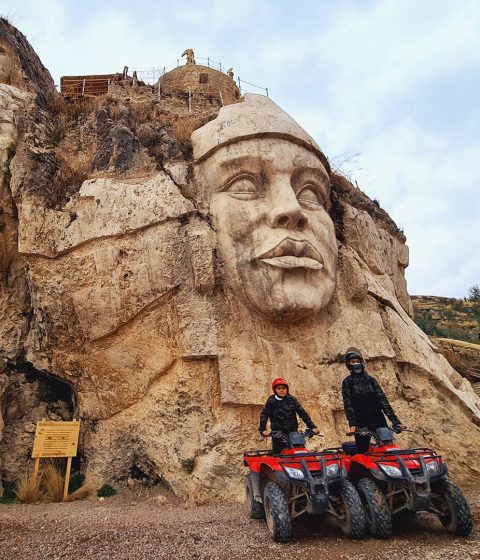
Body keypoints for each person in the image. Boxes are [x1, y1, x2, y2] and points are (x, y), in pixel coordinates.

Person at [341, 347, 406, 453]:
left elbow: (383, 401)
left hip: (378, 419)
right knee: (362, 451)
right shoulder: (347, 382)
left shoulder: (371, 380)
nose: (356, 363)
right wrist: (352, 423)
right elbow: (348, 405)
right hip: (361, 422)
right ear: (349, 364)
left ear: (362, 362)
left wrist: (396, 421)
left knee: (389, 448)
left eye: (358, 361)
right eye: (353, 362)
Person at [259, 377, 319, 453]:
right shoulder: (271, 400)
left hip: (293, 432)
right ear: (275, 390)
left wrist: (312, 427)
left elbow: (303, 413)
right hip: (278, 433)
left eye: (284, 388)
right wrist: (263, 430)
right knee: (280, 454)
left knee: (299, 452)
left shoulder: (292, 399)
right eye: (279, 388)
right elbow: (264, 415)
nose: (281, 390)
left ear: (287, 389)